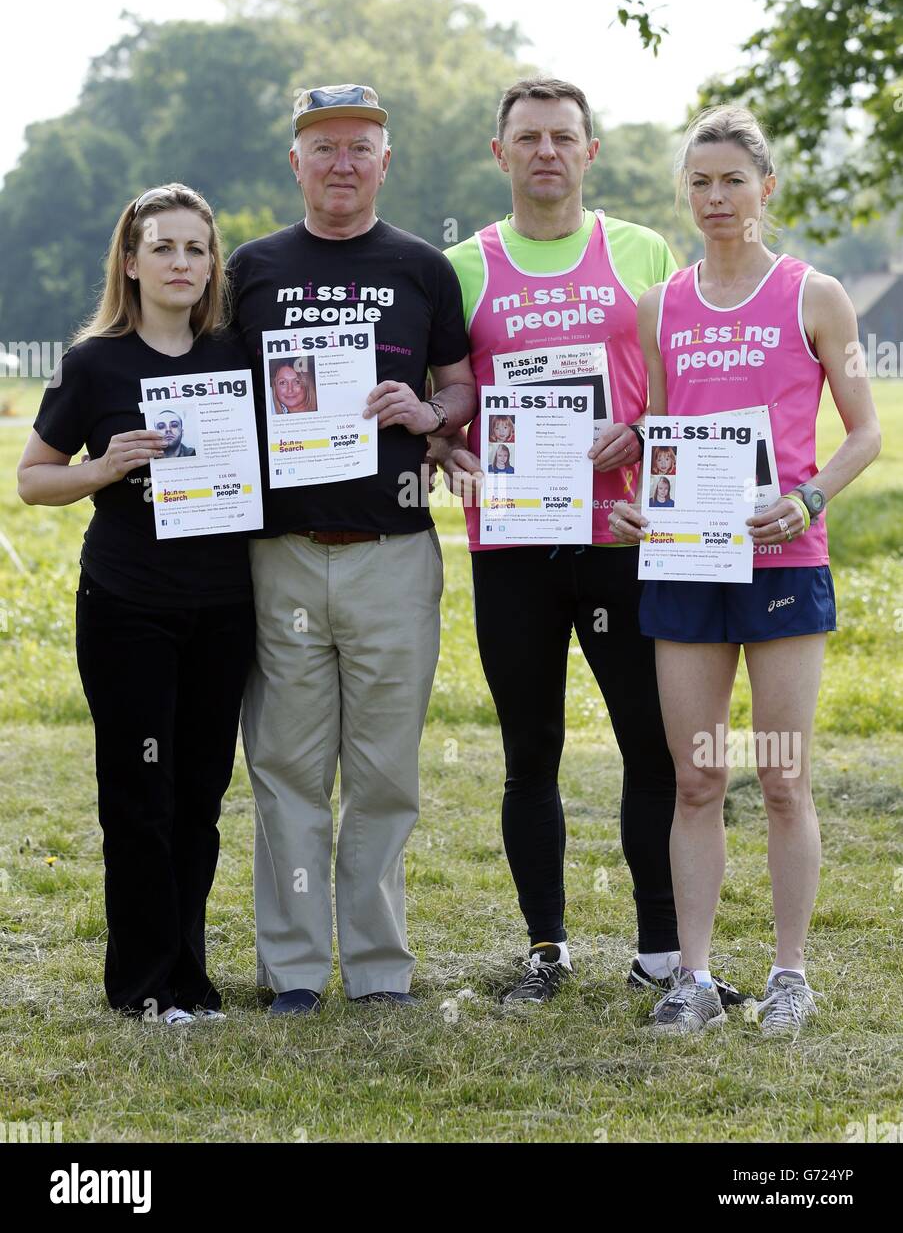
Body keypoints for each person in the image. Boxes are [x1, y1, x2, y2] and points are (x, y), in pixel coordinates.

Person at [432, 77, 748, 1008]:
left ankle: (659, 951)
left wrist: (641, 430)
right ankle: (545, 948)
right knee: (530, 751)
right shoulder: (460, 267)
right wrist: (451, 450)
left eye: (562, 137)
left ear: (589, 152)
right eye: (525, 138)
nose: (544, 153)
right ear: (499, 155)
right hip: (513, 543)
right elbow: (444, 403)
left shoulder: (642, 249)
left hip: (620, 537)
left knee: (650, 750)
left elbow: (681, 384)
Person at [611, 105, 881, 1035]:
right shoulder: (659, 307)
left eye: (732, 180)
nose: (715, 197)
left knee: (779, 777)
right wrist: (639, 501)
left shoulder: (818, 297)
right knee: (694, 778)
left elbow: (866, 433)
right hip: (684, 561)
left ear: (766, 188)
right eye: (699, 181)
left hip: (783, 558)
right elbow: (658, 433)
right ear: (683, 193)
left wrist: (806, 500)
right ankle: (691, 976)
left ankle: (789, 975)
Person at [229, 83, 476, 1014]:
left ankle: (376, 970)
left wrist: (429, 410)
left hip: (392, 549)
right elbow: (214, 389)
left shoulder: (420, 267)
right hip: (279, 551)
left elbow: (457, 387)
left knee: (383, 771)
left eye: (359, 147)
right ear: (295, 161)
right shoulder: (250, 267)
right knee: (286, 767)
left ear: (385, 161)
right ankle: (292, 968)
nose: (341, 162)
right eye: (323, 146)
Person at [17, 184, 256, 1026]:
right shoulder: (95, 362)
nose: (182, 263)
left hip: (225, 607)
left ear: (211, 262)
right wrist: (102, 468)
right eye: (164, 248)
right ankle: (144, 986)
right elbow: (32, 480)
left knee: (199, 796)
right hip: (127, 606)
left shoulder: (236, 356)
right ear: (131, 261)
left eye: (196, 248)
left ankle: (190, 977)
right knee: (139, 794)